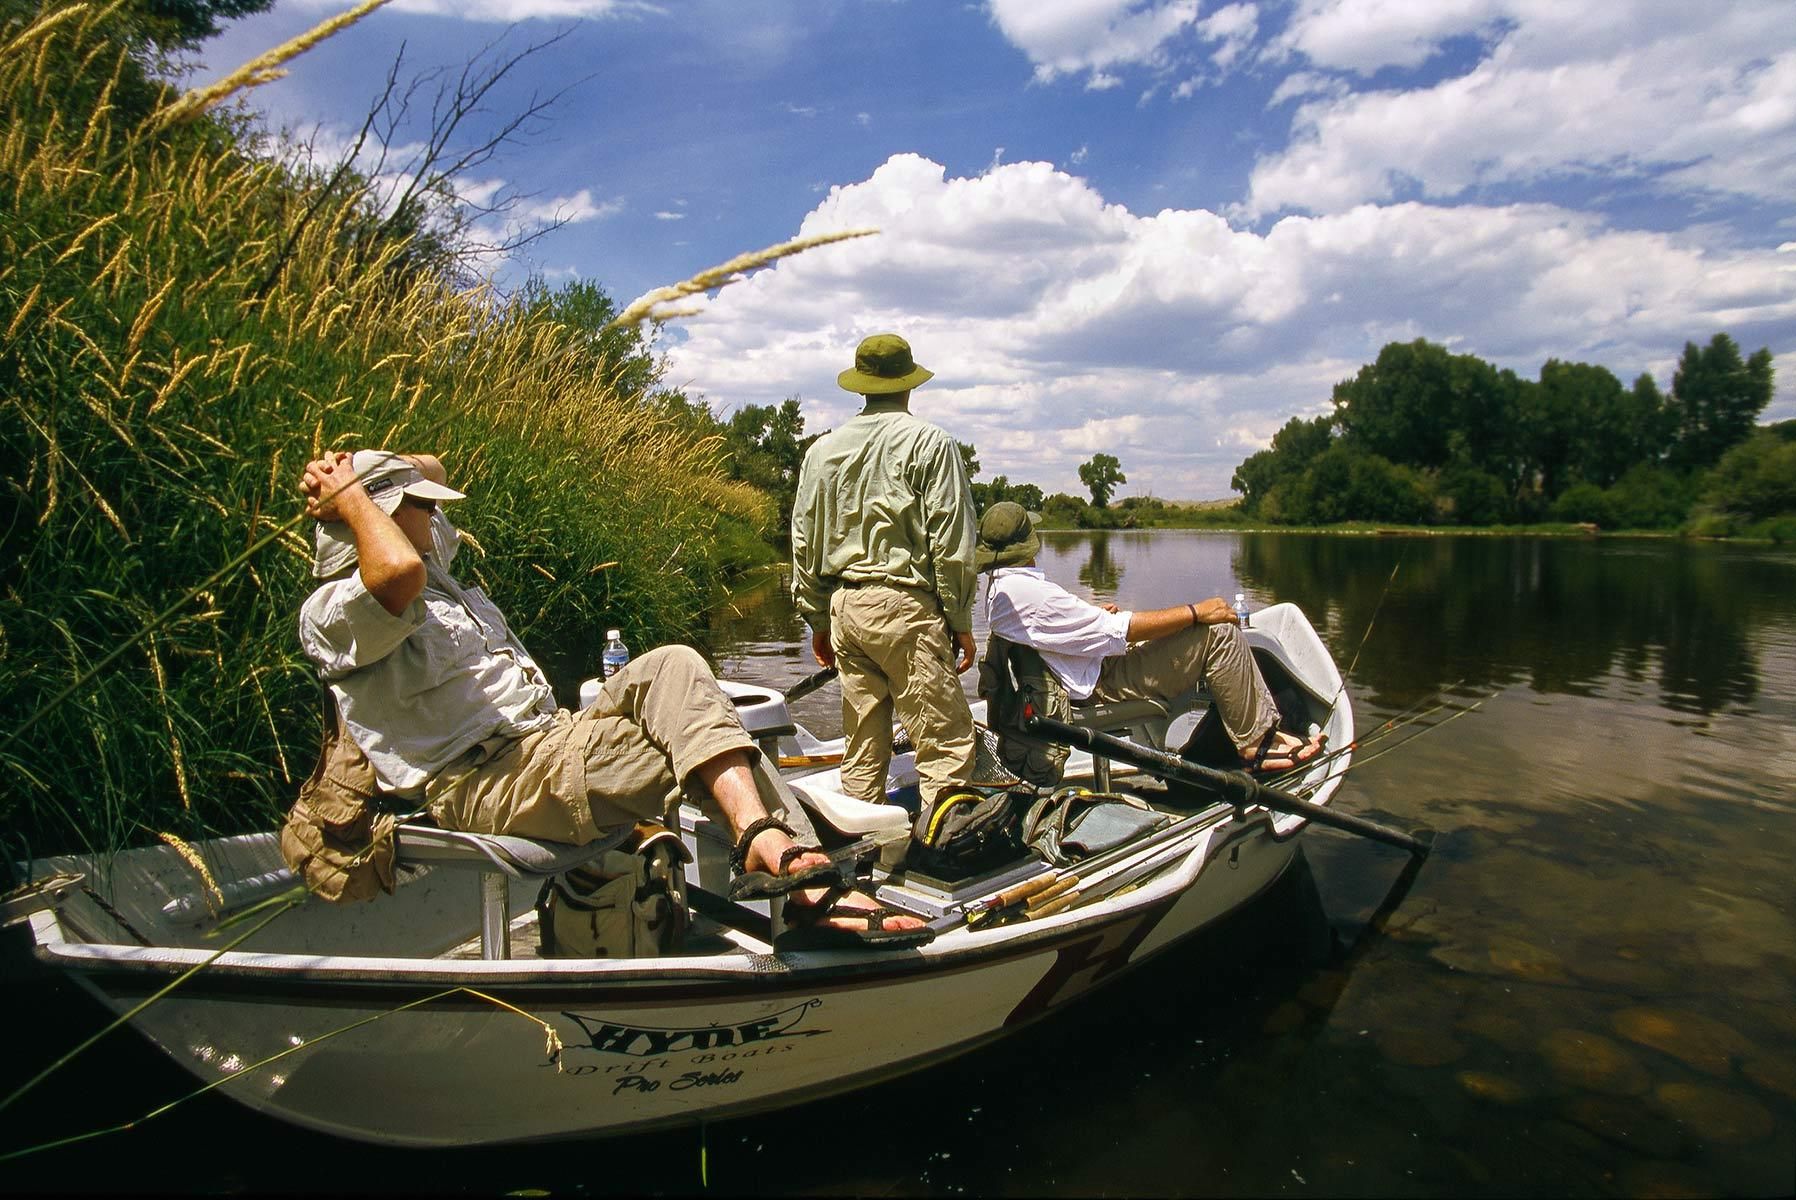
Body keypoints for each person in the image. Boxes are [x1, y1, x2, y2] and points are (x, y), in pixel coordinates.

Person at [296, 448, 928, 949]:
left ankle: (768, 841)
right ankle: (795, 872)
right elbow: (395, 571)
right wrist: (354, 496)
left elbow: (431, 469)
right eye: (419, 507)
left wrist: (349, 468)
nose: (436, 517)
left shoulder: (433, 563)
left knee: (674, 667)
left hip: (549, 741)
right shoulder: (338, 608)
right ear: (375, 516)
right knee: (695, 744)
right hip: (488, 780)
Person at [975, 502, 1324, 772]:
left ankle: (1262, 729)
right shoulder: (1027, 593)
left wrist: (1095, 618)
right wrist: (1195, 611)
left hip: (1080, 673)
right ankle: (1255, 745)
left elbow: (1056, 630)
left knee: (1179, 631)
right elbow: (1119, 631)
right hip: (1100, 683)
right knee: (1219, 634)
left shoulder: (1002, 589)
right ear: (1028, 544)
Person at [790, 333, 979, 806]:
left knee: (862, 749)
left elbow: (802, 541)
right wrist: (959, 621)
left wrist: (817, 619)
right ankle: (945, 853)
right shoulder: (931, 443)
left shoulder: (821, 452)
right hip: (904, 610)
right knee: (946, 745)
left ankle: (864, 859)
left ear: (862, 387)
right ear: (908, 384)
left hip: (845, 611)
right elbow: (952, 543)